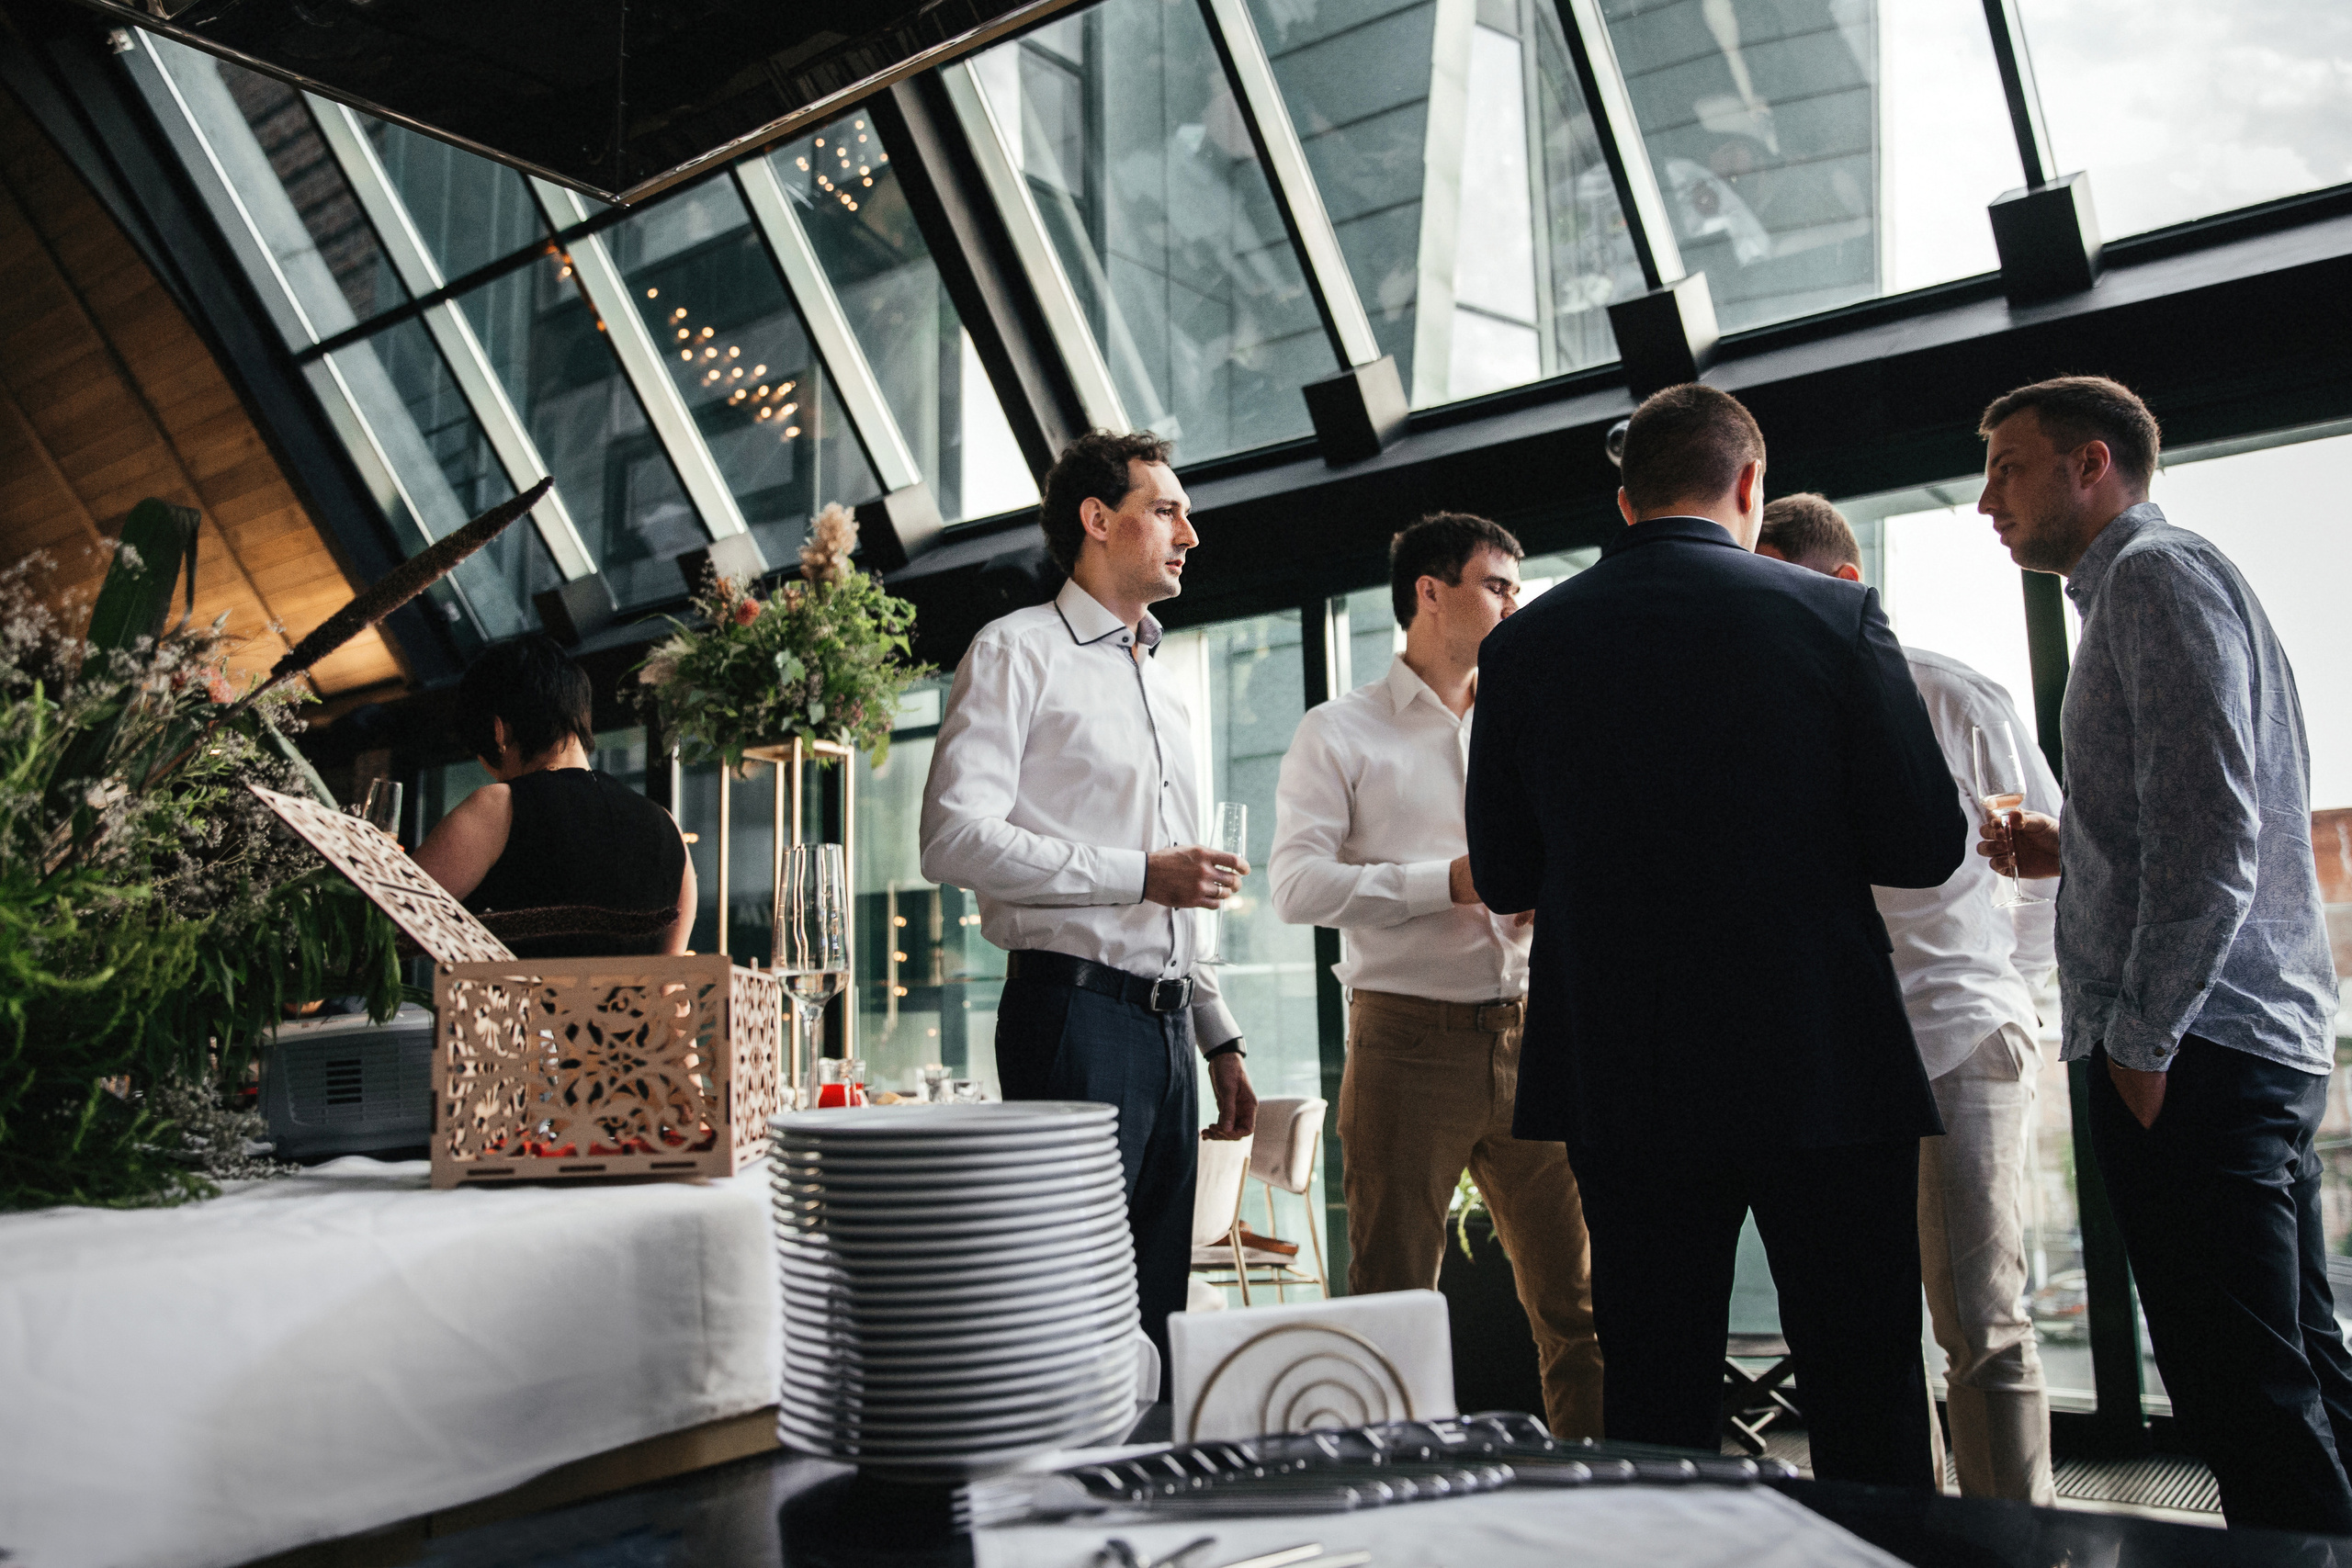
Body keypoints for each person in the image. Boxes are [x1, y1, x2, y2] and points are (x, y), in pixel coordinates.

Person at [1463, 382, 1963, 1488]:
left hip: (1621, 1068)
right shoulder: (1834, 616)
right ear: (1750, 484)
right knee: (1865, 1375)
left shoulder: (1525, 645)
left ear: (1626, 496)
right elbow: (1926, 842)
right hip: (1818, 1057)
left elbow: (1501, 874)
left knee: (1652, 1385)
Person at [1974, 376, 2352, 1531]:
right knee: (2301, 1374)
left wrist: (2142, 1043)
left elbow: (2213, 839)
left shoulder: (2150, 577)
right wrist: (2067, 848)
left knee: (2244, 1396)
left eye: (2008, 468)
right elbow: (2177, 821)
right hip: (2241, 1040)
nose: (1986, 500)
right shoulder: (2158, 583)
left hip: (2198, 1051)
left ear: (2091, 465)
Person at [919, 429, 1258, 1383]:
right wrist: (1139, 873)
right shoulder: (1015, 650)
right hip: (1069, 1016)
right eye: (1167, 511)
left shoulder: (1166, 684)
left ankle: (1143, 1510)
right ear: (1097, 519)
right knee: (1074, 1307)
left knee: (1158, 1307)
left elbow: (1181, 892)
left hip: (1163, 1031)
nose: (1189, 533)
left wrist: (1217, 1035)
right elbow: (952, 838)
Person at [1270, 513, 1604, 1441]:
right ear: (1429, 591)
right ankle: (1393, 1512)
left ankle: (1606, 1508)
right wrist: (1450, 882)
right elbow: (1296, 887)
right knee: (1389, 1307)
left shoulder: (1532, 717)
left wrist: (1553, 893)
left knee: (1579, 1309)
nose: (1514, 602)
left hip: (1535, 1033)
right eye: (1496, 584)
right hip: (1405, 1044)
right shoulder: (1337, 732)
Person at [1758, 493, 2060, 1503]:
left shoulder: (1952, 695)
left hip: (1961, 1037)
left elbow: (2049, 871)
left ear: (1841, 589)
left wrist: (2010, 999)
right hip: (1840, 1058)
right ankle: (1916, 1538)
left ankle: (2017, 1541)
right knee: (1867, 1332)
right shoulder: (1769, 720)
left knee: (1980, 1321)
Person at [415, 635, 695, 956]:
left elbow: (384, 916)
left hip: (520, 1007)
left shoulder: (499, 807)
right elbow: (670, 983)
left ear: (498, 731)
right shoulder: (667, 826)